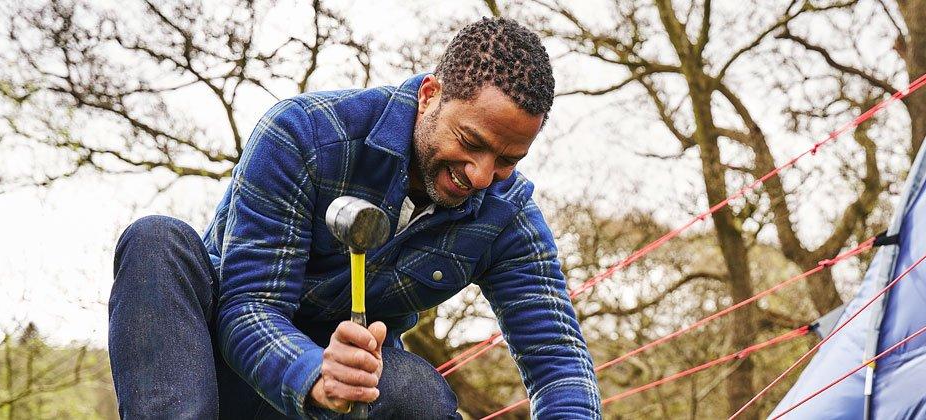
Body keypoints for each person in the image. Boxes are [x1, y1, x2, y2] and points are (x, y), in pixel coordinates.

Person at [107, 17, 601, 419]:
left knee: (417, 394)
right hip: (218, 366)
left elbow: (558, 363)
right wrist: (316, 374)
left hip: (346, 398)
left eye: (508, 159)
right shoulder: (303, 135)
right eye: (471, 142)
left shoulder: (507, 216)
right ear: (430, 94)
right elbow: (249, 307)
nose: (480, 175)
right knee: (156, 241)